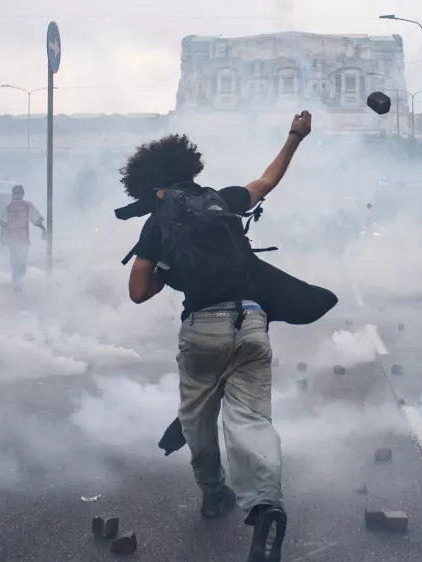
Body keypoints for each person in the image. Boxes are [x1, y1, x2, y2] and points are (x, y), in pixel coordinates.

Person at [125, 111, 314, 562]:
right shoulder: (220, 200)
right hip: (250, 321)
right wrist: (295, 136)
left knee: (198, 421)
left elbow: (137, 292)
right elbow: (267, 180)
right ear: (188, 169)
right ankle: (266, 503)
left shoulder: (158, 221)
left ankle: (214, 495)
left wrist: (167, 272)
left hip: (202, 330)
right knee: (251, 421)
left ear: (153, 184)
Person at [0, 185, 46, 289]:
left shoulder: (7, 207)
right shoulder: (27, 206)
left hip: (11, 241)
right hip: (23, 241)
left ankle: (16, 285)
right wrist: (43, 229)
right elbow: (36, 220)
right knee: (21, 263)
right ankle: (18, 285)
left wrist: (2, 238)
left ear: (13, 194)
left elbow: (3, 225)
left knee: (14, 263)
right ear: (22, 194)